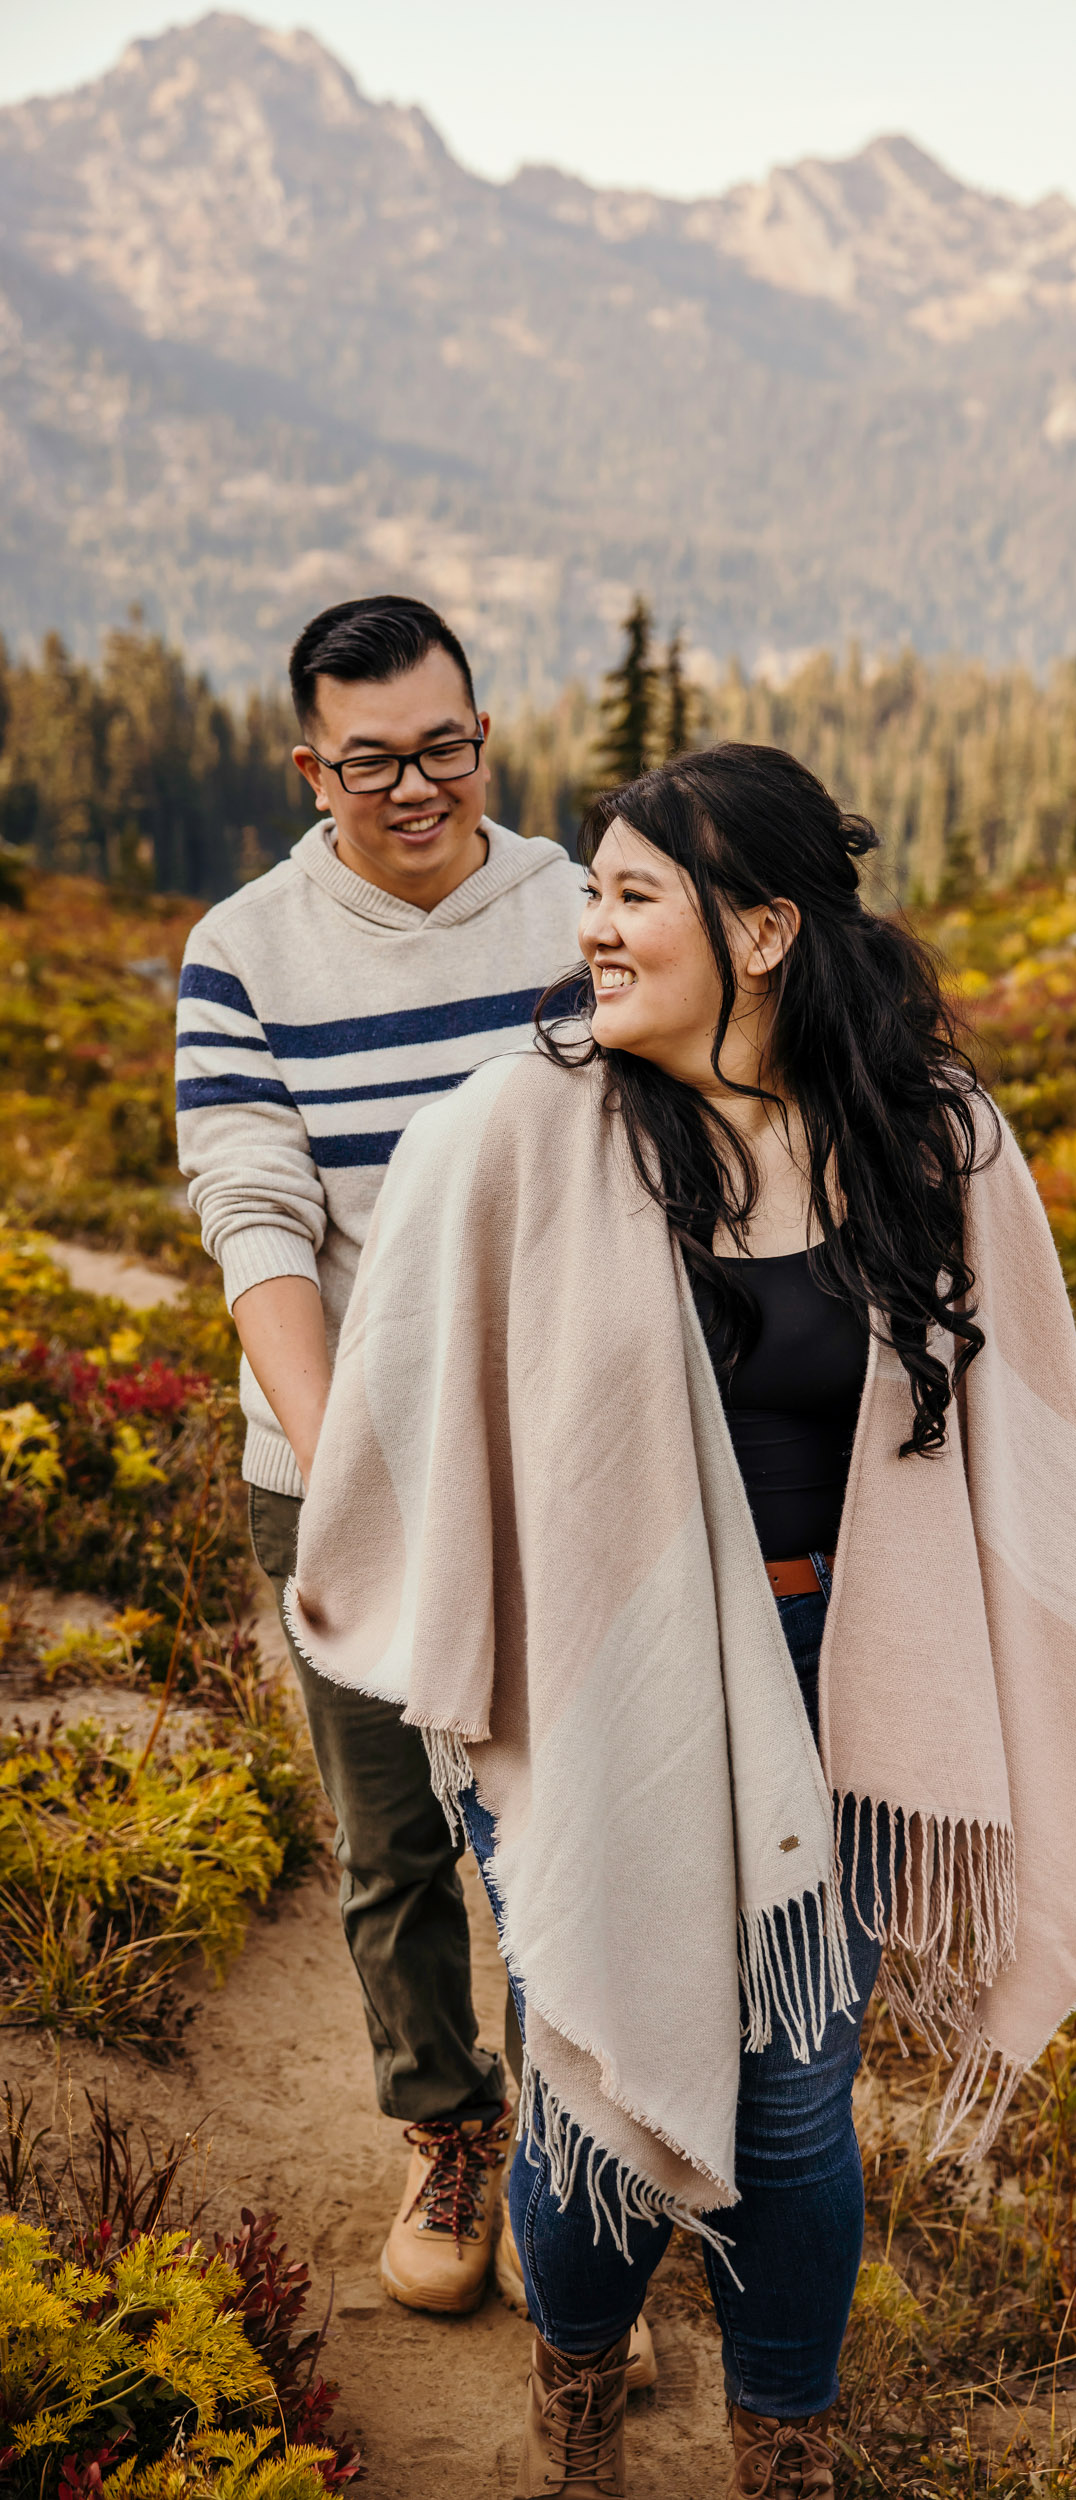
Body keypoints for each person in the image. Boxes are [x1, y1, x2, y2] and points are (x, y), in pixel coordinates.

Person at [287, 744, 1076, 2499]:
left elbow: (1031, 1439)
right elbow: (399, 1412)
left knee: (791, 2103)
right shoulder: (522, 1130)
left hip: (849, 1667)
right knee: (603, 2067)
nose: (591, 930)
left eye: (632, 897)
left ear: (764, 931)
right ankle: (580, 2387)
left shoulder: (932, 1139)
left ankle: (785, 2446)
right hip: (595, 1686)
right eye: (591, 894)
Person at [177, 593, 642, 2336]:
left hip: (570, 1461)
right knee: (391, 1838)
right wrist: (347, 1464)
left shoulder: (575, 911)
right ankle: (449, 2131)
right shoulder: (245, 948)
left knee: (572, 1823)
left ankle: (576, 2187)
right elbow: (257, 1215)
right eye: (373, 761)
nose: (419, 786)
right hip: (337, 1458)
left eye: (446, 747)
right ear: (314, 766)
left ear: (484, 737)